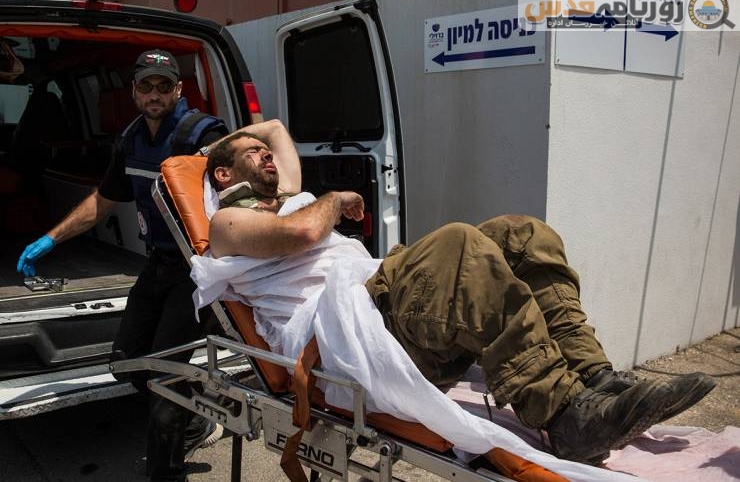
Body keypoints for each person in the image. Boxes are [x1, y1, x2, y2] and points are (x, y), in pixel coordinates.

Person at [198, 121, 715, 466]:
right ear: (224, 175)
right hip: (340, 343)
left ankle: (594, 377)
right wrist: (336, 196)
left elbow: (275, 128)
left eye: (267, 154)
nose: (268, 155)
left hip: (374, 305)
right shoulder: (228, 223)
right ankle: (564, 415)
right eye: (253, 155)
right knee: (457, 243)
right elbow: (306, 232)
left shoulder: (288, 195)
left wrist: (222, 143)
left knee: (520, 233)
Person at [16, 49, 229, 481]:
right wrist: (50, 239)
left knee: (164, 376)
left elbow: (236, 190)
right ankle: (196, 419)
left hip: (196, 272)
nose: (154, 94)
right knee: (126, 360)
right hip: (157, 265)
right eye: (146, 85)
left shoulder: (202, 134)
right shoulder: (131, 138)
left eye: (163, 86)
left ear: (178, 90)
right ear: (133, 91)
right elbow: (104, 199)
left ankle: (166, 470)